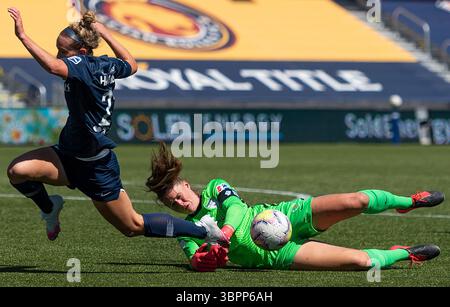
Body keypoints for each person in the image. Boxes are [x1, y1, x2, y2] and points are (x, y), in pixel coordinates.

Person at [6, 8, 227, 244]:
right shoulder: (103, 64)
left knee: (132, 225)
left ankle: (205, 231)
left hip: (95, 168)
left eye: (62, 52)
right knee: (17, 172)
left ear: (81, 52)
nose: (58, 55)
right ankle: (50, 208)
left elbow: (52, 67)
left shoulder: (83, 65)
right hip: (68, 155)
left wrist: (23, 36)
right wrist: (107, 33)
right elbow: (131, 65)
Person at [146, 142, 444, 272]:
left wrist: (223, 232)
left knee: (358, 201)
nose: (179, 203)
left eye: (178, 195)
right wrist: (207, 258)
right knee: (361, 263)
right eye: (172, 204)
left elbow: (236, 208)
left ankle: (409, 202)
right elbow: (195, 260)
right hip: (276, 254)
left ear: (185, 185)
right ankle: (404, 253)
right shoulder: (187, 232)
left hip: (284, 216)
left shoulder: (215, 187)